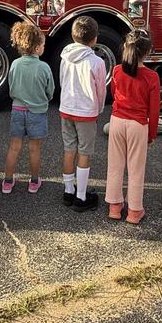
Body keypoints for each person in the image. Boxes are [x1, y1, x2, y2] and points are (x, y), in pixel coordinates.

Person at [105, 29, 161, 225]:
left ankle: (114, 206)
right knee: (136, 169)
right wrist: (152, 134)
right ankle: (134, 211)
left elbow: (113, 93)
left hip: (117, 121)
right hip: (138, 124)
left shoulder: (117, 70)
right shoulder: (151, 77)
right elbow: (154, 110)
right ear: (147, 52)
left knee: (115, 165)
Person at [59, 16, 107, 211]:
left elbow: (62, 81)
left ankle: (68, 191)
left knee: (69, 150)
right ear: (94, 38)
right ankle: (81, 196)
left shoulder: (64, 56)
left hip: (66, 108)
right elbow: (101, 90)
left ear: (73, 35)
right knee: (85, 152)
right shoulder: (97, 62)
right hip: (86, 112)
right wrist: (100, 107)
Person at [4, 23, 53, 194]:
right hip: (37, 112)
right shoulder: (44, 67)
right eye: (43, 44)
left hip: (17, 110)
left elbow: (11, 86)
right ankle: (33, 182)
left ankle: (8, 181)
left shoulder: (15, 64)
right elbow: (50, 91)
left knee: (14, 147)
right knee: (34, 149)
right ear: (38, 47)